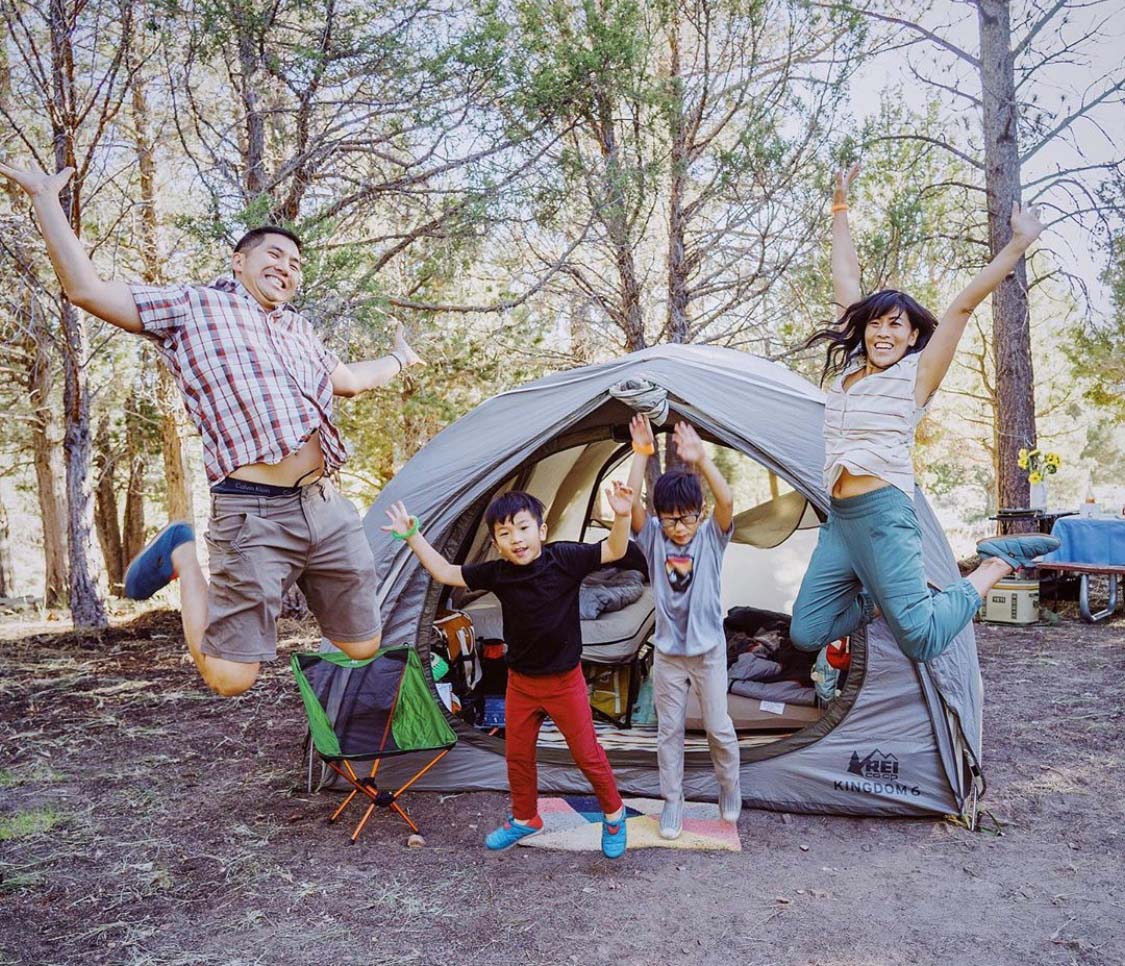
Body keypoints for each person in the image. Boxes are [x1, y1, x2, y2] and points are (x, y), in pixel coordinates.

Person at [0, 161, 423, 696]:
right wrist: (44, 201)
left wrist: (399, 359)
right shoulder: (196, 305)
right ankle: (181, 554)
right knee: (230, 679)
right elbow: (85, 289)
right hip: (253, 514)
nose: (286, 267)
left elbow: (350, 381)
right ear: (239, 260)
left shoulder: (298, 328)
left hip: (326, 505)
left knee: (364, 645)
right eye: (275, 253)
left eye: (295, 263)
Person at [789, 163, 1059, 662]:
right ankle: (880, 598)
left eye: (897, 325)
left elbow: (960, 307)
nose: (883, 332)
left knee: (921, 640)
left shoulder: (916, 376)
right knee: (806, 632)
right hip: (841, 521)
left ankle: (994, 565)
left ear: (914, 336)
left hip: (885, 516)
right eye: (875, 324)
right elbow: (844, 275)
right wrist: (839, 205)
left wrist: (1018, 245)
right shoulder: (852, 366)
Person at [383, 486, 636, 858]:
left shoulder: (564, 558)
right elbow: (444, 571)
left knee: (586, 754)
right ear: (497, 543)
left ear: (542, 530)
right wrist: (412, 536)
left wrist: (623, 515)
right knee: (517, 755)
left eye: (522, 528)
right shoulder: (498, 574)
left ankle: (614, 814)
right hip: (521, 682)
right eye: (504, 533)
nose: (516, 539)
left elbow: (614, 549)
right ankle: (526, 817)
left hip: (565, 682)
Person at [625, 417, 741, 840]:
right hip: (669, 655)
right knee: (668, 732)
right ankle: (672, 801)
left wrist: (702, 459)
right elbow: (631, 508)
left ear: (700, 513)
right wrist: (641, 455)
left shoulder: (711, 536)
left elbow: (727, 501)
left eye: (686, 518)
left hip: (709, 652)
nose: (679, 527)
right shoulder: (654, 537)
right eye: (670, 519)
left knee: (718, 727)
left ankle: (729, 787)